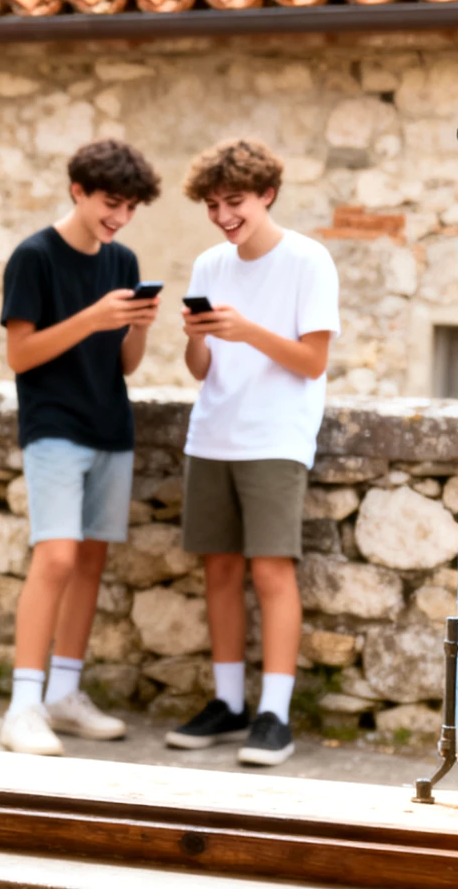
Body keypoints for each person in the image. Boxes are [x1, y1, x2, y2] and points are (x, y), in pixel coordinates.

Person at [165, 139, 338, 768]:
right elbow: (199, 369)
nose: (222, 216)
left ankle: (275, 716)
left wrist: (249, 331)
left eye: (233, 202)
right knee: (218, 572)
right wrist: (197, 339)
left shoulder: (308, 260)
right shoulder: (210, 264)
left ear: (266, 195)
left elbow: (312, 361)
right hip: (211, 434)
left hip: (276, 438)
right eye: (212, 205)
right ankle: (229, 703)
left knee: (271, 572)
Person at [0, 140, 162, 756]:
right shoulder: (33, 257)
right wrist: (93, 317)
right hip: (53, 425)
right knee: (57, 558)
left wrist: (137, 327)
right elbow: (20, 355)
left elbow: (127, 364)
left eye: (130, 208)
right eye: (110, 204)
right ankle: (22, 706)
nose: (118, 218)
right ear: (78, 191)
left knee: (90, 561)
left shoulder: (123, 261)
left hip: (111, 426)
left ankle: (64, 694)